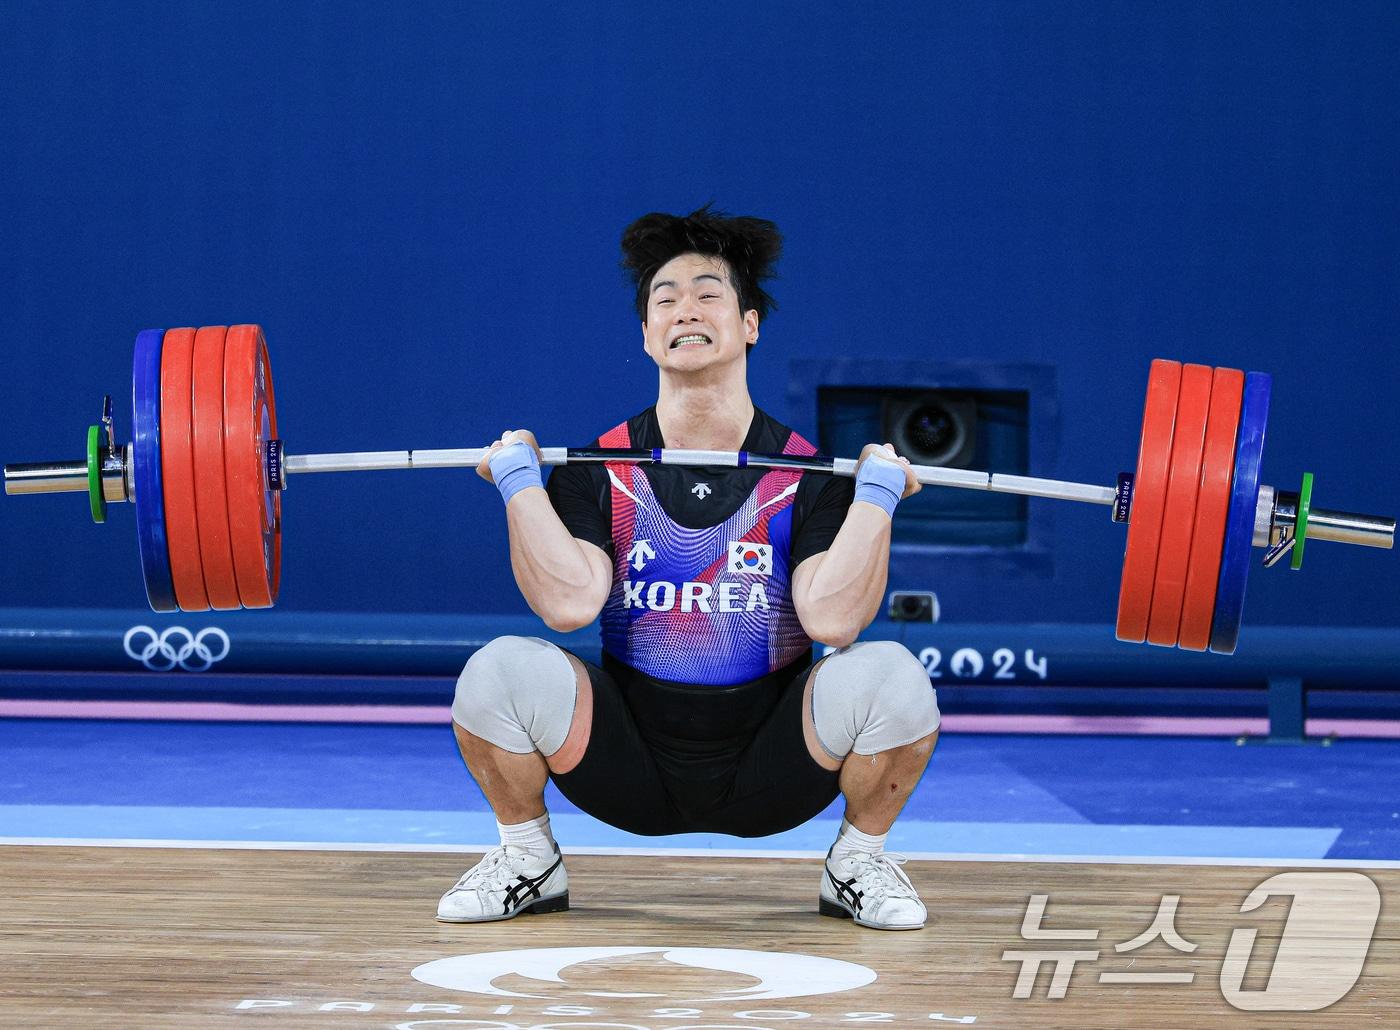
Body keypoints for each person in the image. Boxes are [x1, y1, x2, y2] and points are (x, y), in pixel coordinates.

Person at [439, 206, 941, 931]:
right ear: (647, 334)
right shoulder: (596, 468)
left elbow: (834, 621)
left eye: (709, 293)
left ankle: (856, 862)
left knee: (894, 675)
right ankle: (528, 859)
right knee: (497, 670)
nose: (685, 309)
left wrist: (877, 499)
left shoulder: (808, 473)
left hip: (778, 766)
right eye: (664, 298)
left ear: (749, 324)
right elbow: (569, 604)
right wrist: (519, 483)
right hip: (625, 766)